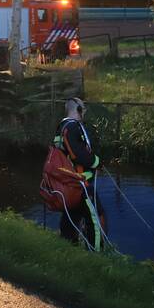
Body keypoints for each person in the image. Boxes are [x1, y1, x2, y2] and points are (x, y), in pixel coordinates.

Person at [54, 97, 104, 249]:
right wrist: (96, 162)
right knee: (94, 219)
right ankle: (96, 253)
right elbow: (77, 154)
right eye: (83, 108)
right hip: (81, 183)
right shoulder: (72, 127)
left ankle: (68, 247)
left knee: (71, 217)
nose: (85, 111)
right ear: (79, 110)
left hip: (70, 183)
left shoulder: (62, 126)